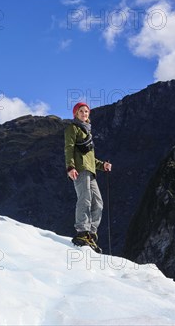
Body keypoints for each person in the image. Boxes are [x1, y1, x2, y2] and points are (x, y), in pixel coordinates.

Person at [65, 102, 112, 252]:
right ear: (75, 114)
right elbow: (69, 148)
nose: (84, 114)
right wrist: (70, 167)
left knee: (98, 203)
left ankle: (91, 233)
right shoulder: (72, 128)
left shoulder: (88, 132)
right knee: (84, 199)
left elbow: (89, 158)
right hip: (79, 170)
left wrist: (102, 165)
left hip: (91, 172)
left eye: (86, 111)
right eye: (81, 111)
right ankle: (82, 232)